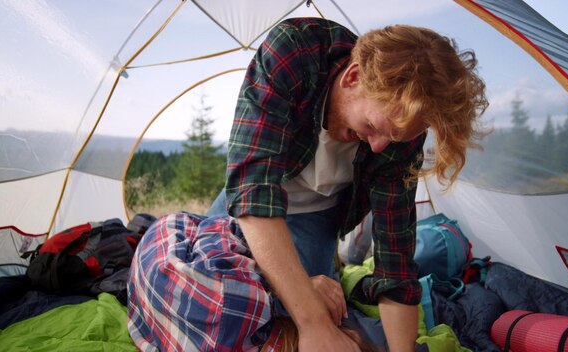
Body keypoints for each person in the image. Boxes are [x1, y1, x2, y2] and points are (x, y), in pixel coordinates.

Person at [207, 17, 488, 352]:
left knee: (297, 317)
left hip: (320, 218)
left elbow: (394, 264)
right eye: (372, 126)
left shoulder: (400, 133)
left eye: (395, 138)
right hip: (253, 200)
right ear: (353, 78)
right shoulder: (294, 51)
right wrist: (312, 321)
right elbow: (254, 192)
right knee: (211, 289)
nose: (380, 147)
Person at [127, 212, 375, 351]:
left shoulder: (241, 303)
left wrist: (299, 289)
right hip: (159, 256)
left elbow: (220, 228)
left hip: (168, 233)